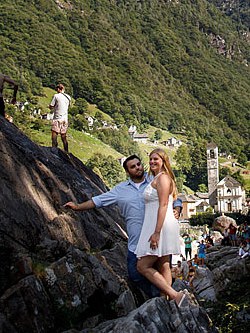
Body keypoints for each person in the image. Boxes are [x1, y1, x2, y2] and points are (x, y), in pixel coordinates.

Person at [62, 155, 182, 299]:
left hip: (156, 236)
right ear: (127, 171)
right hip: (136, 241)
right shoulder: (120, 190)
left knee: (163, 268)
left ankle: (164, 302)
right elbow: (98, 201)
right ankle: (158, 297)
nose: (138, 168)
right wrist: (77, 207)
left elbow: (172, 197)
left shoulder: (154, 180)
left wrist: (177, 208)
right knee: (135, 275)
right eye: (133, 166)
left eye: (138, 164)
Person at [134, 148, 186, 304]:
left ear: (164, 161)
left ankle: (175, 295)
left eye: (155, 159)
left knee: (142, 266)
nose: (152, 162)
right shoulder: (156, 178)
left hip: (160, 226)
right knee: (163, 265)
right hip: (157, 224)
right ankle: (167, 301)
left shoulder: (163, 178)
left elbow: (163, 205)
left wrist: (156, 232)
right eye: (150, 159)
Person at [48, 84, 72, 152]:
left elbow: (51, 106)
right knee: (64, 137)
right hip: (65, 119)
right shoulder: (68, 97)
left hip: (57, 118)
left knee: (54, 136)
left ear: (58, 89)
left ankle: (54, 151)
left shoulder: (56, 96)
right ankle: (67, 152)